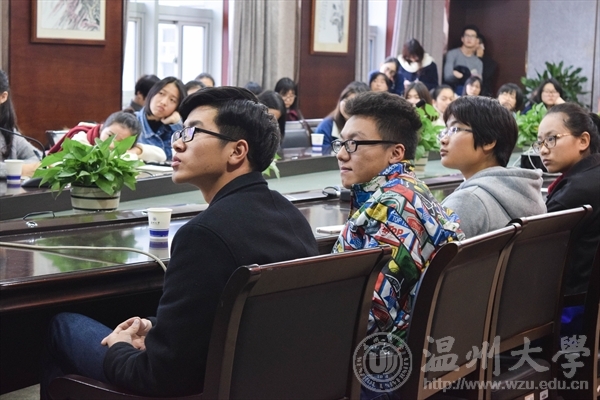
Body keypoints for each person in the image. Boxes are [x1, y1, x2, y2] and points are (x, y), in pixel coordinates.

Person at [40, 86, 319, 398]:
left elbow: (159, 376)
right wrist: (156, 327)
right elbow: (226, 318)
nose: (177, 143)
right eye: (179, 131)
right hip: (269, 382)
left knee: (63, 325)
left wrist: (119, 347)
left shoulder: (203, 235)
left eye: (191, 132)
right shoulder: (291, 216)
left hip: (194, 390)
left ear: (237, 151)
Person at [331, 91, 464, 341]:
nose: (341, 154)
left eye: (354, 144)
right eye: (341, 143)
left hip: (382, 354)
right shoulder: (409, 189)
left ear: (395, 153)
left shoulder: (393, 207)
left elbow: (370, 317)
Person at [439, 96, 546, 238]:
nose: (443, 139)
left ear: (488, 141)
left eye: (454, 129)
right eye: (445, 130)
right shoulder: (527, 192)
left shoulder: (467, 202)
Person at [536, 102, 600, 295]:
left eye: (551, 139)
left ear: (583, 141)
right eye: (540, 142)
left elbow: (536, 253)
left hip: (572, 304)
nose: (543, 150)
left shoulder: (575, 192)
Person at [48, 111, 167, 163]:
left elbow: (161, 155)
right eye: (110, 136)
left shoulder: (129, 148)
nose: (111, 144)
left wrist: (135, 150)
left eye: (121, 142)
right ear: (101, 129)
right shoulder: (80, 138)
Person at [0, 69, 41, 178]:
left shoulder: (8, 132)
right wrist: (18, 170)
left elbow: (38, 158)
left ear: (3, 97)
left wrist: (14, 169)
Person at [136, 76, 186, 160]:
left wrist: (177, 124)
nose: (163, 102)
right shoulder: (130, 122)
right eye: (161, 93)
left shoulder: (178, 127)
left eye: (172, 100)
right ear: (152, 93)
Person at [314, 81, 369, 155]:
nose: (346, 106)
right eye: (345, 100)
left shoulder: (371, 127)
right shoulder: (326, 127)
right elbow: (324, 157)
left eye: (352, 103)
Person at [443, 25, 484, 94]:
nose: (469, 38)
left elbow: (477, 83)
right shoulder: (452, 54)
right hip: (452, 92)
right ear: (462, 38)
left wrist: (461, 76)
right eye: (467, 35)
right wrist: (469, 77)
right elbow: (448, 77)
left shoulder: (478, 62)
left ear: (477, 40)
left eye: (472, 36)